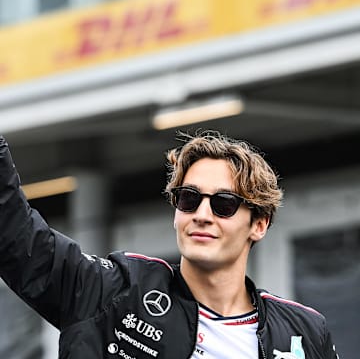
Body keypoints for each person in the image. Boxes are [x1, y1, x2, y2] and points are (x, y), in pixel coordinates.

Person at [0, 130, 339, 359]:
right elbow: (16, 237)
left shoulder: (305, 333)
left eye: (223, 204)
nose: (202, 215)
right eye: (189, 199)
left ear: (259, 224)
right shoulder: (112, 293)